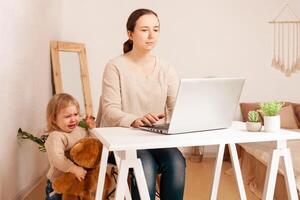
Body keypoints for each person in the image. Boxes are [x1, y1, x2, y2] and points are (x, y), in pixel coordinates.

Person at [100, 8, 186, 200]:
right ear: (130, 34)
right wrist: (135, 120)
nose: (151, 36)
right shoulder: (115, 67)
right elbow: (109, 111)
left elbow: (176, 107)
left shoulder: (166, 68)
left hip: (154, 138)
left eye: (156, 29)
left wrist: (190, 114)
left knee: (177, 162)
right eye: (145, 30)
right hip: (122, 139)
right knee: (144, 165)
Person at [44, 93, 95, 200]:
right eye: (67, 116)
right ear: (54, 119)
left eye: (75, 114)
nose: (73, 119)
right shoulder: (56, 136)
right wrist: (73, 168)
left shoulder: (79, 130)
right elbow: (57, 159)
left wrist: (92, 128)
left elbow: (91, 143)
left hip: (75, 180)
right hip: (59, 182)